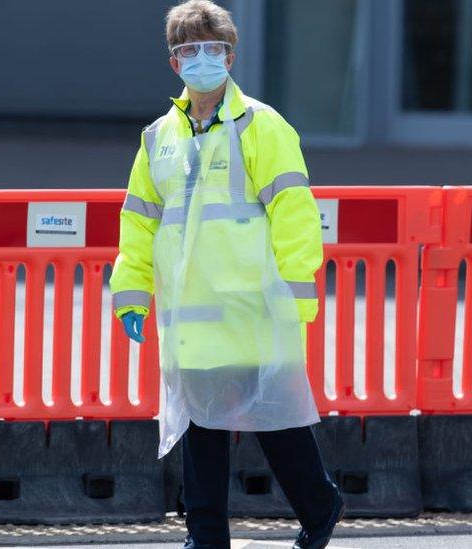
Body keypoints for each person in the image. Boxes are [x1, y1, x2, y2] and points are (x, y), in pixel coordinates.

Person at [109, 1, 343, 547]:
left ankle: (319, 504)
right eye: (189, 50)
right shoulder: (157, 138)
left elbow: (294, 213)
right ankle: (206, 535)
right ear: (174, 63)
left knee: (276, 420)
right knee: (200, 428)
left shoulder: (262, 126)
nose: (202, 59)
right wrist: (130, 293)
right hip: (190, 313)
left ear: (230, 55)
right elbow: (138, 223)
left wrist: (298, 296)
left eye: (212, 49)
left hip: (252, 306)